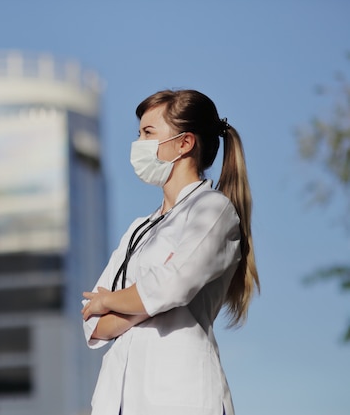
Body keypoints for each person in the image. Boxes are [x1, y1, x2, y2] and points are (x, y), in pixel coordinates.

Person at [81, 89, 259, 415]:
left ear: (184, 143)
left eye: (149, 133)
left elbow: (171, 286)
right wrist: (129, 301)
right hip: (120, 401)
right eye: (139, 134)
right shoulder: (139, 228)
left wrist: (111, 300)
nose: (138, 144)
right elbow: (93, 322)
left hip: (181, 396)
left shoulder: (212, 210)